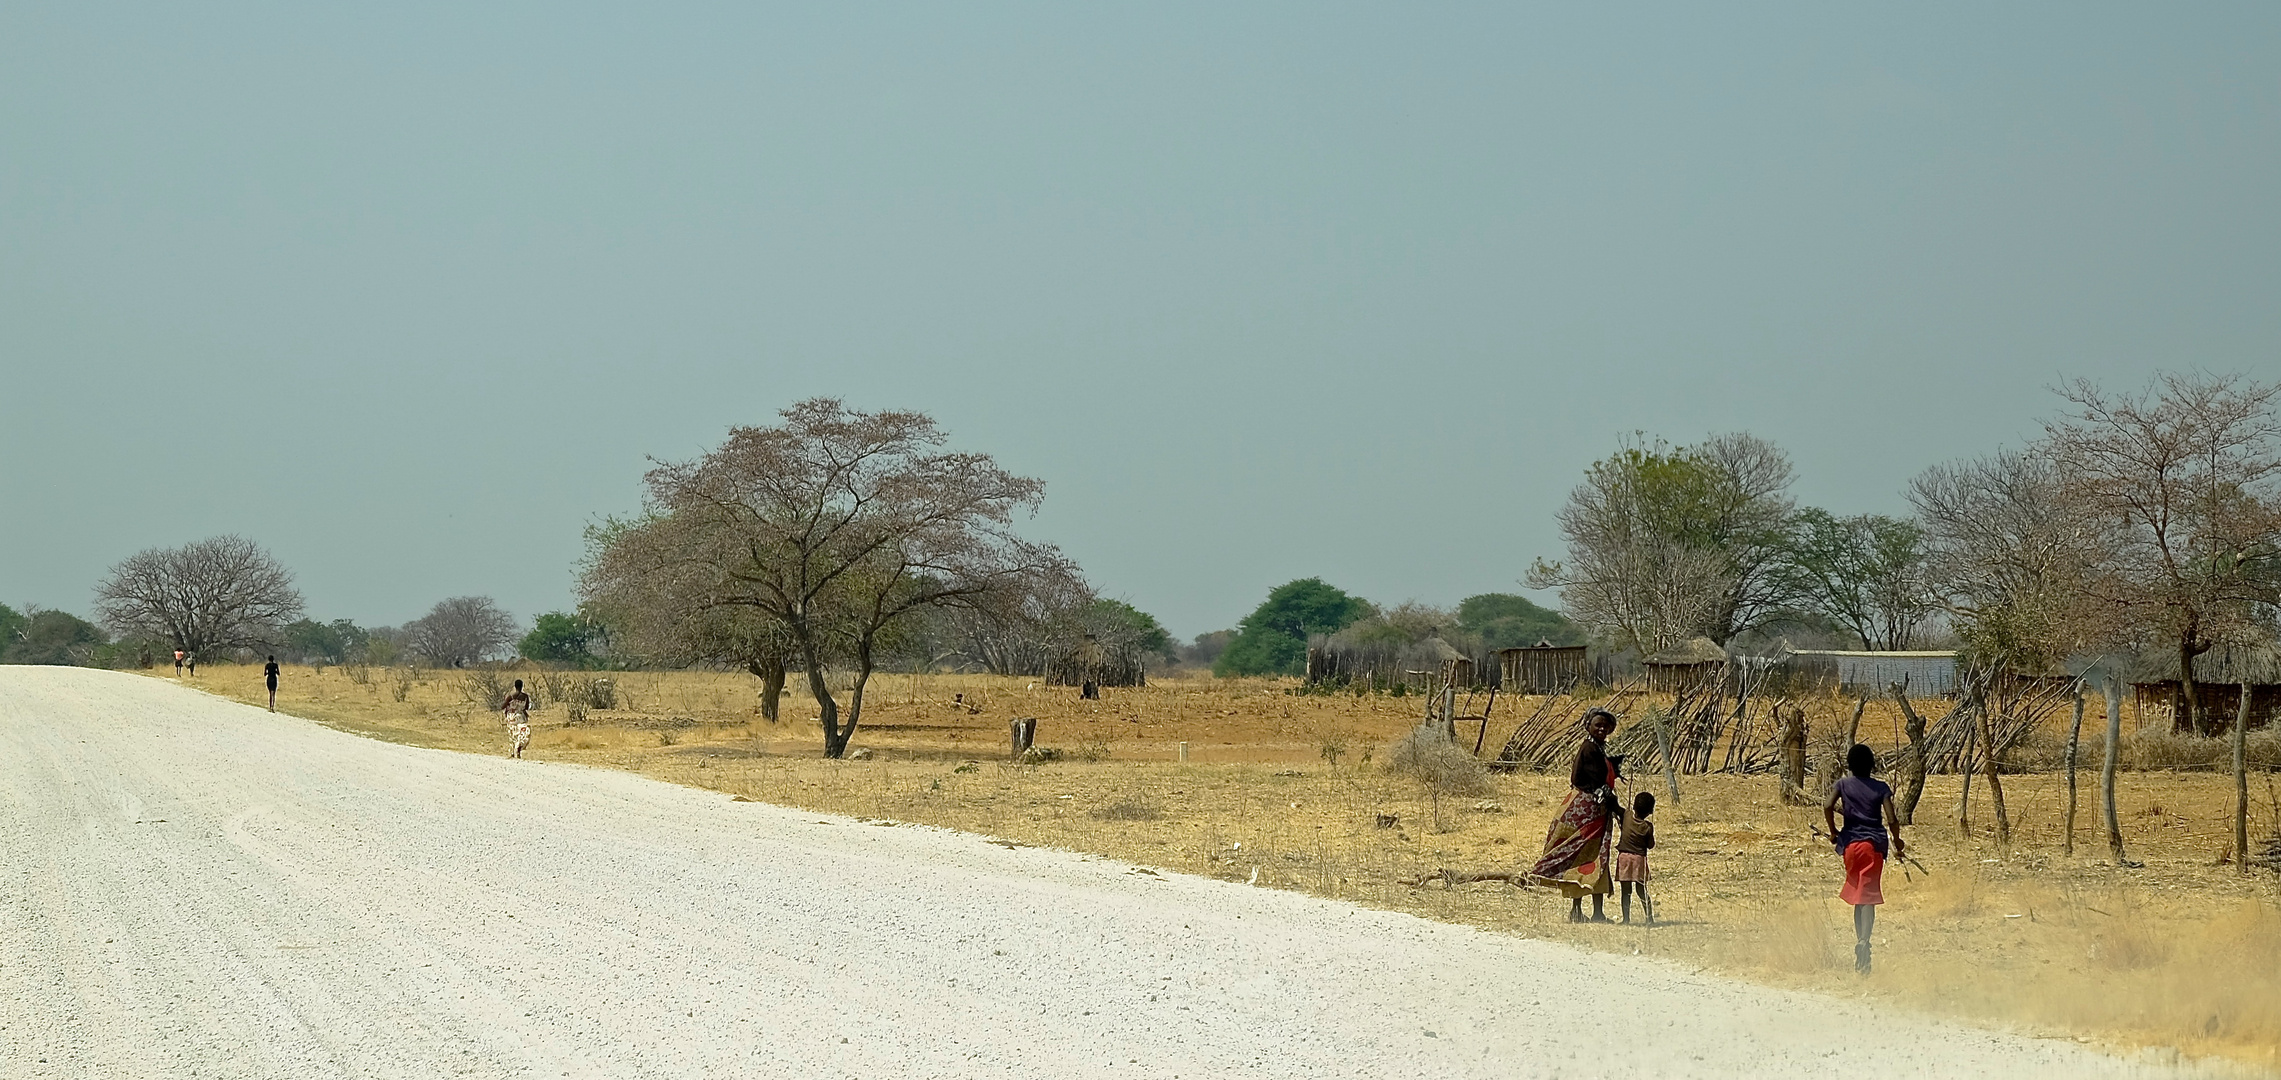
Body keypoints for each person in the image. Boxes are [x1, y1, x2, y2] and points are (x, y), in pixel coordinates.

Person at [1530, 708, 1621, 922]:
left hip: (1597, 810)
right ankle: (1580, 911)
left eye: (1605, 726)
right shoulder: (1589, 748)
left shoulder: (1598, 748)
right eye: (1598, 725)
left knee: (1596, 858)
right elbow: (1583, 779)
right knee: (1583, 858)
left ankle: (1594, 912)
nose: (1602, 729)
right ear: (1587, 725)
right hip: (1587, 811)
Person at [1824, 743, 1905, 974]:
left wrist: (1833, 832)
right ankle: (1864, 942)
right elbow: (1891, 819)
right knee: (1868, 898)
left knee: (1859, 896)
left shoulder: (1843, 784)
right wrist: (1897, 842)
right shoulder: (1881, 788)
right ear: (1872, 765)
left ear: (1849, 765)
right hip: (1873, 847)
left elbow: (1828, 805)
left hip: (1849, 847)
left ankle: (1860, 939)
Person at [1615, 790, 1656, 924]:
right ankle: (1649, 918)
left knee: (1625, 891)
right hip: (1639, 859)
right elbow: (1650, 845)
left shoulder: (1626, 816)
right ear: (1650, 811)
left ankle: (1626, 919)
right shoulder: (1647, 827)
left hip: (1624, 858)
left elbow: (1615, 807)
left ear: (1633, 806)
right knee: (1641, 890)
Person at [502, 679, 533, 758]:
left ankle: (512, 752)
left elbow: (502, 706)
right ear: (522, 686)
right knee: (523, 733)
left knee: (512, 735)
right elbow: (526, 707)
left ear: (515, 686)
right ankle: (518, 749)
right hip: (521, 716)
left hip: (511, 717)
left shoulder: (511, 696)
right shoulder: (525, 697)